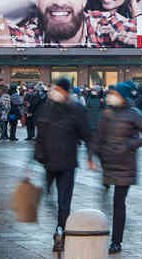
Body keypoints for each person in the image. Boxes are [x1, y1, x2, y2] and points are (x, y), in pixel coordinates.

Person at [92, 81, 142, 255]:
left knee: (118, 203)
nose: (111, 97)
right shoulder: (107, 113)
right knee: (113, 201)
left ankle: (116, 241)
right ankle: (114, 238)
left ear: (123, 97)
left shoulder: (133, 114)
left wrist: (130, 145)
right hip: (108, 163)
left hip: (125, 164)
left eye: (115, 94)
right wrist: (93, 153)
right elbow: (98, 135)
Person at [34, 77, 92, 252]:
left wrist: (91, 155)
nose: (53, 92)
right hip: (50, 162)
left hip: (66, 163)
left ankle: (61, 231)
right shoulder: (47, 108)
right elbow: (40, 135)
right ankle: (60, 226)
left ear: (65, 91)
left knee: (63, 202)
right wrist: (36, 158)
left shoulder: (76, 110)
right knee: (49, 197)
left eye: (57, 89)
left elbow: (86, 134)